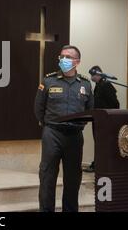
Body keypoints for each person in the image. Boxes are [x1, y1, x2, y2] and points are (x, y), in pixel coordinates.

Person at [34, 45, 94, 212]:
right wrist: (47, 125)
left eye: (67, 57)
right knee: (47, 176)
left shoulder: (86, 84)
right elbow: (38, 108)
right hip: (52, 133)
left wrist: (79, 125)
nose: (63, 60)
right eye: (61, 56)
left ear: (77, 62)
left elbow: (90, 109)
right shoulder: (48, 80)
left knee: (73, 179)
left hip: (74, 136)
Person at [84, 65, 120, 172]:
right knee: (99, 143)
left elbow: (115, 104)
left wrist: (108, 117)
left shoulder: (106, 85)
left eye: (93, 75)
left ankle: (101, 166)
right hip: (98, 119)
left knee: (103, 143)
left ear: (98, 74)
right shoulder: (99, 85)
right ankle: (98, 165)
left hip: (105, 120)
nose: (91, 78)